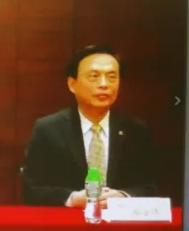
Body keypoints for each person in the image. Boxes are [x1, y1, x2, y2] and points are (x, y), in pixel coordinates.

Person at [22, 45, 157, 207]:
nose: (104, 84)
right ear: (72, 84)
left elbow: (151, 186)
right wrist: (72, 199)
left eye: (112, 77)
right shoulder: (49, 129)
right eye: (94, 76)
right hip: (68, 219)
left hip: (119, 219)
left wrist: (124, 196)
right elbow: (32, 190)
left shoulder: (135, 130)